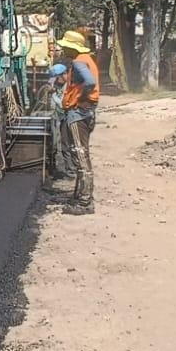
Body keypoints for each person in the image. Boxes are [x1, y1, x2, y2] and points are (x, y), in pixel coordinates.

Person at [57, 30, 99, 213]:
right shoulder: (87, 60)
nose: (63, 50)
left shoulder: (79, 62)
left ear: (71, 48)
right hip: (86, 112)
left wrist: (80, 98)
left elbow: (89, 82)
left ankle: (85, 202)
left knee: (80, 156)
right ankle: (79, 195)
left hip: (78, 114)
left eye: (65, 47)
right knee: (82, 155)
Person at [46, 62, 76, 180]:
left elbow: (63, 104)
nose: (56, 82)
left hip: (71, 118)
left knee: (66, 144)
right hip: (62, 117)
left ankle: (71, 169)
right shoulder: (60, 84)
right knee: (61, 143)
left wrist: (53, 94)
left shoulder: (69, 86)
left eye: (57, 79)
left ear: (63, 75)